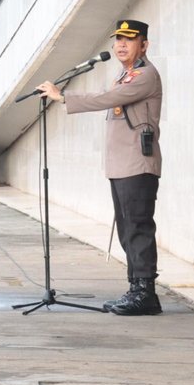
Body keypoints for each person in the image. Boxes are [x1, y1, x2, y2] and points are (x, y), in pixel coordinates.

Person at [36, 19, 163, 316]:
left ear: (144, 45)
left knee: (138, 228)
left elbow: (108, 99)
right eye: (118, 39)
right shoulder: (126, 74)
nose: (121, 44)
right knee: (127, 228)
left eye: (129, 40)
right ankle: (136, 288)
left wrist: (63, 96)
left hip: (137, 164)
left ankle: (146, 292)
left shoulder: (144, 75)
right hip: (122, 164)